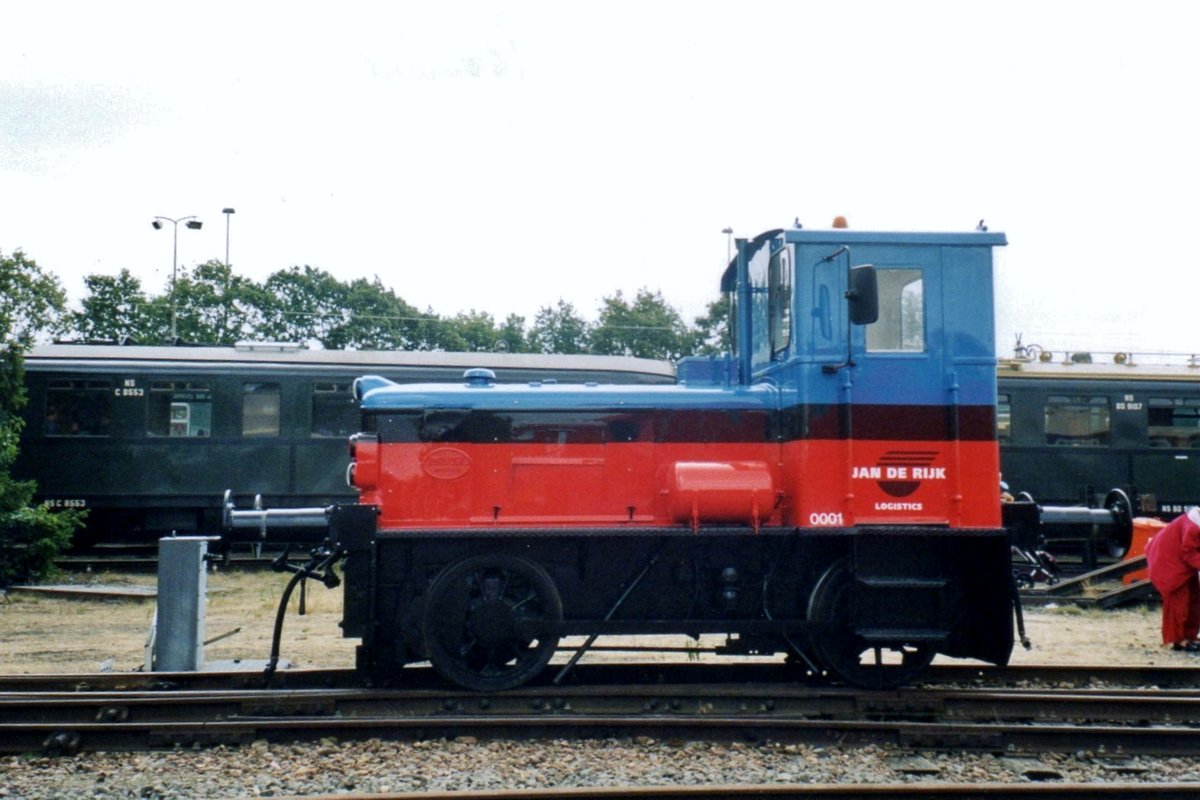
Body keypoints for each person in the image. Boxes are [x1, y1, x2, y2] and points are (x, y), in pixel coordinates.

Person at [1145, 506, 1200, 652]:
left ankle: (1190, 636)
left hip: (1179, 563)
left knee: (1194, 599)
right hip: (1169, 564)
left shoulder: (1193, 522)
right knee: (1178, 603)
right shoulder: (1193, 526)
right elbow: (1188, 552)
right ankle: (1178, 640)